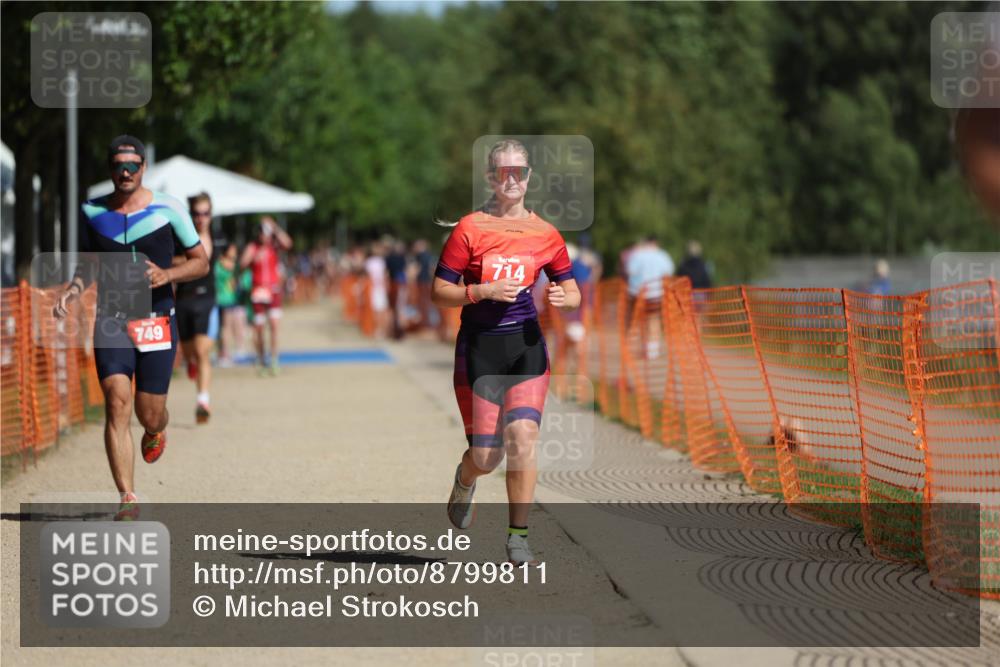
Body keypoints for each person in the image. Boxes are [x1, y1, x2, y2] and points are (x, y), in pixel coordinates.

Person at [432, 138, 581, 564]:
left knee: (523, 438)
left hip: (526, 347)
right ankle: (465, 478)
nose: (512, 179)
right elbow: (439, 292)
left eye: (520, 171)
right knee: (487, 456)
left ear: (529, 176)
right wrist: (482, 291)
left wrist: (563, 299)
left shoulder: (546, 234)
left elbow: (573, 293)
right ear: (491, 178)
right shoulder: (469, 229)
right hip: (479, 349)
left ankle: (518, 538)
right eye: (503, 171)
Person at [53, 135, 209, 520]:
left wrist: (169, 273)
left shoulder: (169, 209)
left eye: (132, 166)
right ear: (110, 169)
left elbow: (200, 261)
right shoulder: (91, 212)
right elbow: (87, 264)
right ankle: (127, 497)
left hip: (155, 319)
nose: (125, 172)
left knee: (148, 412)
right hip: (112, 317)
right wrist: (73, 291)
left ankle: (157, 429)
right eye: (118, 166)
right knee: (116, 400)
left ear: (143, 168)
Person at [174, 192, 216, 423]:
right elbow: (168, 261)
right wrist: (192, 261)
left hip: (207, 299)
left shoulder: (218, 237)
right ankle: (191, 364)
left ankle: (203, 400)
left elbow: (231, 258)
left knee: (202, 351)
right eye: (197, 214)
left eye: (206, 213)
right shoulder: (182, 237)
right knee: (190, 353)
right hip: (184, 299)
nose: (201, 218)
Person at [240, 216, 292, 376]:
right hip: (258, 291)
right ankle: (262, 358)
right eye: (263, 232)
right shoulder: (253, 247)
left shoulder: (274, 246)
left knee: (275, 326)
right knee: (260, 328)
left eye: (267, 233)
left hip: (273, 290)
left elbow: (288, 243)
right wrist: (253, 258)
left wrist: (275, 227)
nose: (265, 236)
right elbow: (242, 264)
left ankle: (275, 358)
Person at [625, 235, 674, 359]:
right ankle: (652, 351)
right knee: (654, 319)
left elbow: (629, 271)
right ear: (656, 243)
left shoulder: (637, 254)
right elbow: (668, 272)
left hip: (636, 292)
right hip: (655, 293)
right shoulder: (663, 256)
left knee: (634, 320)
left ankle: (631, 348)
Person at [214, 242, 245, 367]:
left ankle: (223, 353)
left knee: (224, 328)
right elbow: (232, 268)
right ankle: (224, 354)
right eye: (233, 250)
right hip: (224, 300)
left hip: (226, 299)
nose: (235, 254)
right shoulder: (224, 264)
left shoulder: (219, 263)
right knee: (225, 329)